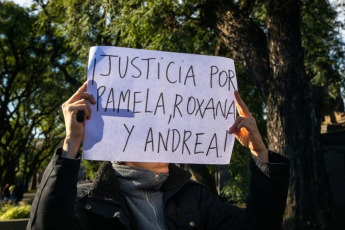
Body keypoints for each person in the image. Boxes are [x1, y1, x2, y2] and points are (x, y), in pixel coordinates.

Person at [27, 82, 290, 230]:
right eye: (151, 126)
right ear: (123, 136)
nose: (166, 133)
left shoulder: (193, 197)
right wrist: (71, 144)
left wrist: (261, 154)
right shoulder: (87, 201)